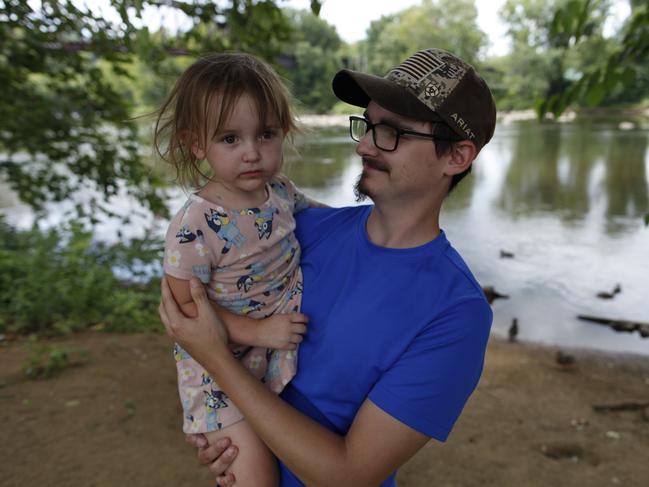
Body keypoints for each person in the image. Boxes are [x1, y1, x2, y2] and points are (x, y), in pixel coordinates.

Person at [160, 47, 497, 487]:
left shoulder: (456, 313)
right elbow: (189, 296)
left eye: (391, 132)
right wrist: (218, 427)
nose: (363, 144)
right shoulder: (299, 229)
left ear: (456, 156)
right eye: (368, 125)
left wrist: (216, 359)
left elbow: (350, 474)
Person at [156, 52, 318, 487]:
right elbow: (185, 314)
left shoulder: (281, 191)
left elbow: (325, 218)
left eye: (265, 134)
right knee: (257, 477)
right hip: (215, 376)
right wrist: (258, 332)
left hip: (269, 358)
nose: (252, 153)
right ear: (196, 144)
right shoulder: (194, 224)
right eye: (230, 139)